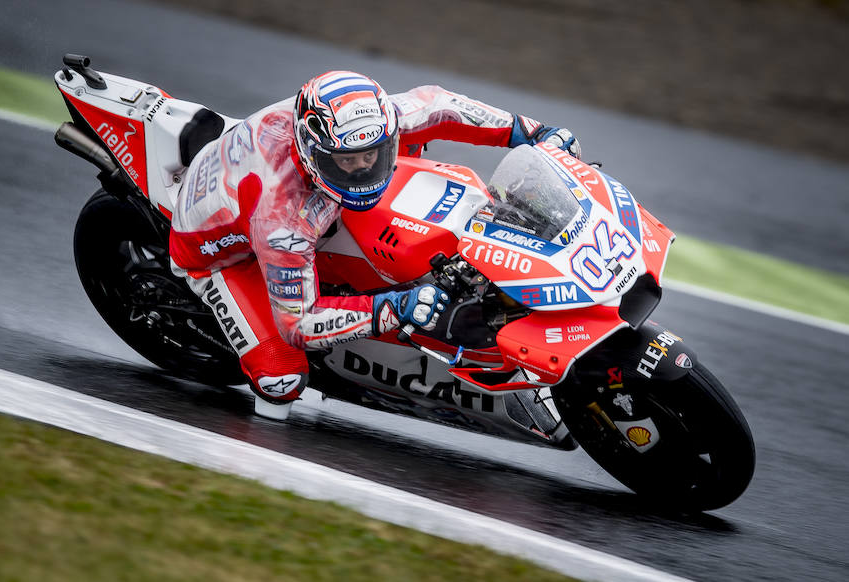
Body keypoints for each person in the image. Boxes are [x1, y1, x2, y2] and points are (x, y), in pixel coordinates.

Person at [169, 70, 581, 420]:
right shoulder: (282, 217)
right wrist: (393, 308)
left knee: (410, 168)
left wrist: (533, 133)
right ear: (314, 153)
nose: (364, 168)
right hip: (225, 253)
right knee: (281, 380)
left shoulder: (361, 129)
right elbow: (299, 324)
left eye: (375, 154)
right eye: (347, 161)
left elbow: (443, 106)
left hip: (285, 192)